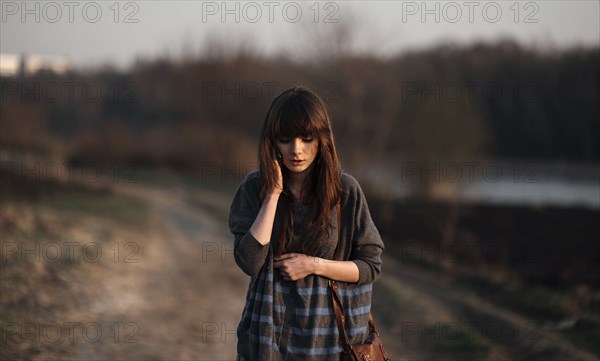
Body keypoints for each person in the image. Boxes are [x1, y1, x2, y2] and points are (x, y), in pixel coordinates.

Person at [228, 85, 385, 360]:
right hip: (269, 337)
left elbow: (371, 265)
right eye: (286, 139)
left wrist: (313, 265)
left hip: (328, 340)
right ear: (273, 141)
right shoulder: (254, 188)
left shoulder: (344, 191)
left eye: (307, 138)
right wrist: (273, 194)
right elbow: (250, 262)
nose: (296, 150)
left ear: (322, 139)